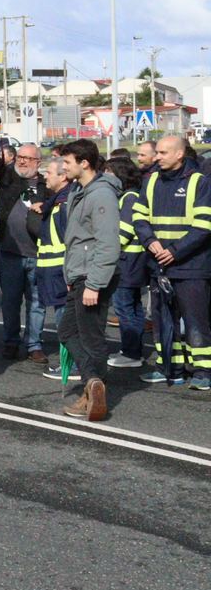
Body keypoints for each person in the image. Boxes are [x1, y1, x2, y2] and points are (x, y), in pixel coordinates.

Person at [133, 135, 211, 389]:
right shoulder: (152, 180)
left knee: (195, 320)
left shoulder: (199, 182)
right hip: (159, 264)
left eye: (163, 153)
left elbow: (203, 226)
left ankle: (202, 371)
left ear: (180, 154)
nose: (157, 157)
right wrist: (150, 241)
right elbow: (139, 215)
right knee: (163, 319)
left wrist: (175, 251)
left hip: (191, 266)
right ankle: (170, 368)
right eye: (157, 153)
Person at [58, 140, 119, 420]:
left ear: (84, 163)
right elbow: (77, 239)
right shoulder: (80, 191)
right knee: (68, 332)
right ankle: (93, 383)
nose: (62, 166)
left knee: (91, 337)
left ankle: (93, 389)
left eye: (67, 161)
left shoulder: (101, 195)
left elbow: (107, 243)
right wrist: (71, 273)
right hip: (80, 273)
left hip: (92, 276)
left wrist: (94, 283)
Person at [0, 143, 46, 360]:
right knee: (10, 301)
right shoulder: (8, 180)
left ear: (38, 162)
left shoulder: (46, 186)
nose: (22, 161)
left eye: (28, 158)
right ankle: (11, 341)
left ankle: (34, 345)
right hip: (9, 253)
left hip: (37, 254)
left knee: (37, 303)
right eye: (20, 157)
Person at [104, 156, 148, 370]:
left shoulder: (129, 197)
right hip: (132, 261)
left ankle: (131, 352)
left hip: (127, 261)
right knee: (132, 307)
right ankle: (132, 349)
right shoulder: (129, 195)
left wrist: (107, 250)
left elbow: (125, 230)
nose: (106, 176)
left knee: (124, 308)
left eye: (109, 172)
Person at [35, 155, 72, 376]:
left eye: (48, 172)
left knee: (66, 324)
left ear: (63, 176)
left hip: (61, 274)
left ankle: (72, 366)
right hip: (54, 273)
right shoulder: (57, 202)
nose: (44, 176)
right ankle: (70, 365)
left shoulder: (64, 204)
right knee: (63, 322)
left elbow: (72, 243)